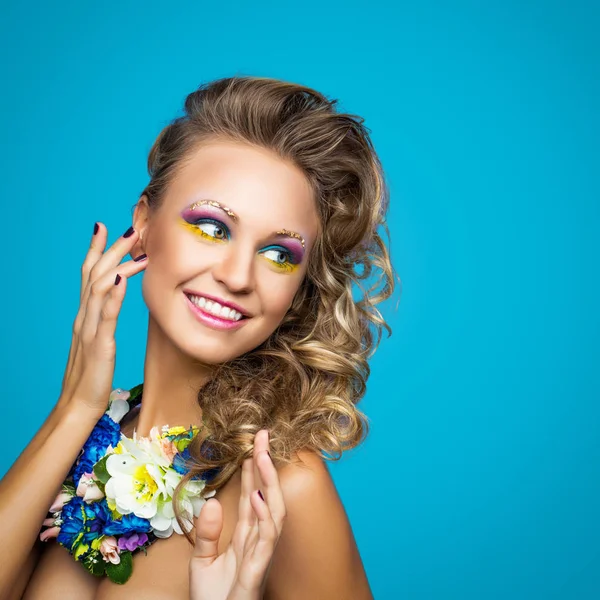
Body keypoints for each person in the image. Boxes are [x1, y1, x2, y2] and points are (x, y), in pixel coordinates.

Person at [0, 75, 397, 600]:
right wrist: (75, 407)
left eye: (279, 254)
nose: (237, 276)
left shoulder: (282, 487)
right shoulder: (85, 439)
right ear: (144, 223)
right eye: (212, 226)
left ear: (299, 289)